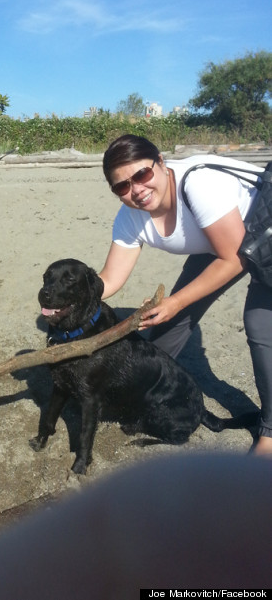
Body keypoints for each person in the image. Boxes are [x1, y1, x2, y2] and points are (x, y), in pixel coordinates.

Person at [98, 134, 272, 456]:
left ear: (161, 162)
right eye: (122, 186)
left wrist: (176, 301)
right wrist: (73, 293)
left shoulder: (198, 185)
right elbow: (109, 279)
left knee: (260, 322)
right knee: (164, 330)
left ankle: (270, 433)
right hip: (219, 241)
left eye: (142, 174)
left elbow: (234, 258)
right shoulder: (131, 216)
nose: (136, 190)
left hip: (262, 228)